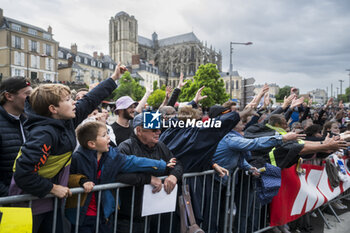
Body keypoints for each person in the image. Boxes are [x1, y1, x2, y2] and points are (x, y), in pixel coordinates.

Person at [9, 63, 126, 233]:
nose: (74, 102)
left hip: (50, 202)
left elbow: (89, 100)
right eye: (67, 100)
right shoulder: (44, 135)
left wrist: (114, 78)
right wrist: (52, 188)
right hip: (30, 205)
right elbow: (23, 174)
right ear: (53, 109)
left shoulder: (65, 120)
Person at [67, 121, 174, 233]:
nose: (109, 137)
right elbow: (67, 178)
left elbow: (135, 162)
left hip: (105, 214)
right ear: (92, 144)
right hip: (81, 216)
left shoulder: (113, 156)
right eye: (104, 135)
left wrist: (162, 165)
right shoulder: (77, 158)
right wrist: (82, 181)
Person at [117, 113, 183, 233]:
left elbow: (176, 164)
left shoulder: (161, 146)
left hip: (157, 213)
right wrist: (148, 179)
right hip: (131, 217)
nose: (158, 132)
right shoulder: (125, 147)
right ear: (139, 130)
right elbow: (118, 175)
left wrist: (174, 176)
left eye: (159, 128)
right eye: (153, 129)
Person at [0, 76, 32, 197]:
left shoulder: (29, 121)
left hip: (25, 197)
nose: (32, 98)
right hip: (7, 201)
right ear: (9, 96)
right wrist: (10, 195)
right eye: (27, 94)